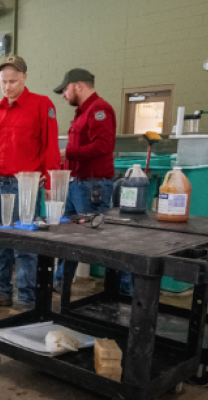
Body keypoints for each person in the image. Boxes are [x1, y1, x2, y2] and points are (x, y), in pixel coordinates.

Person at [0, 55, 60, 309]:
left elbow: (50, 145)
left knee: (24, 243)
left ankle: (27, 297)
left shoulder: (41, 105)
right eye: (4, 81)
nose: (8, 86)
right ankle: (0, 291)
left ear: (24, 77)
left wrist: (50, 183)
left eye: (13, 80)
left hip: (25, 185)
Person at [51, 68, 132, 296]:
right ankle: (60, 281)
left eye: (65, 90)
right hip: (75, 183)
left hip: (91, 186)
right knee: (68, 237)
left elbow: (103, 145)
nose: (64, 95)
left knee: (101, 239)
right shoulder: (82, 112)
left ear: (78, 85)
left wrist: (69, 153)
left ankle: (124, 289)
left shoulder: (99, 110)